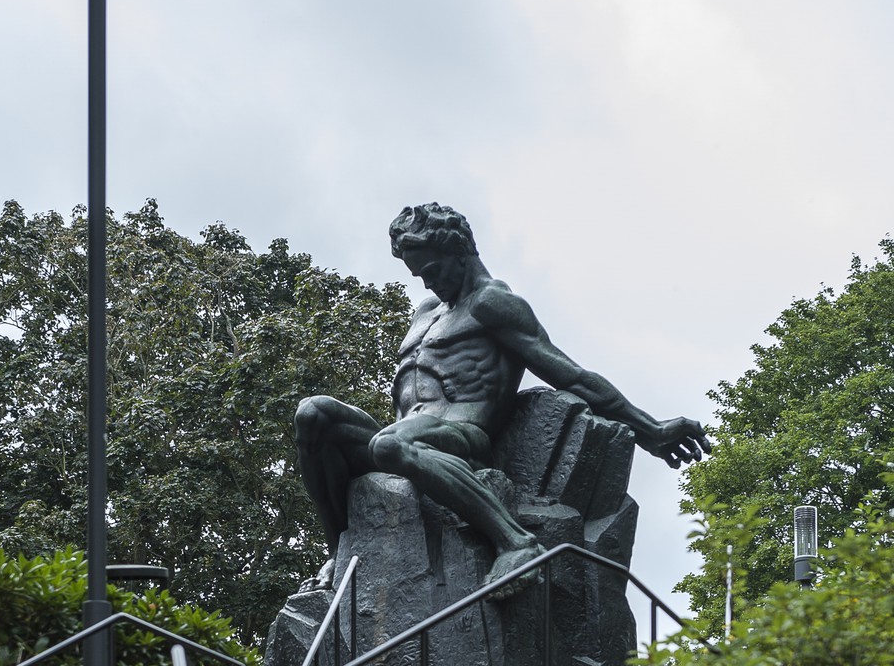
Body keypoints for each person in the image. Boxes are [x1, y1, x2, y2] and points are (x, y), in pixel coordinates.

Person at [295, 202, 709, 593]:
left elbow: (573, 376)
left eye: (433, 270)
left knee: (389, 443)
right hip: (401, 441)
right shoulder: (425, 312)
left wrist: (651, 430)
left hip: (461, 436)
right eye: (419, 274)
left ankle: (514, 541)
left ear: (460, 252)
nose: (428, 282)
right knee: (313, 414)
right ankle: (338, 554)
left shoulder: (493, 304)